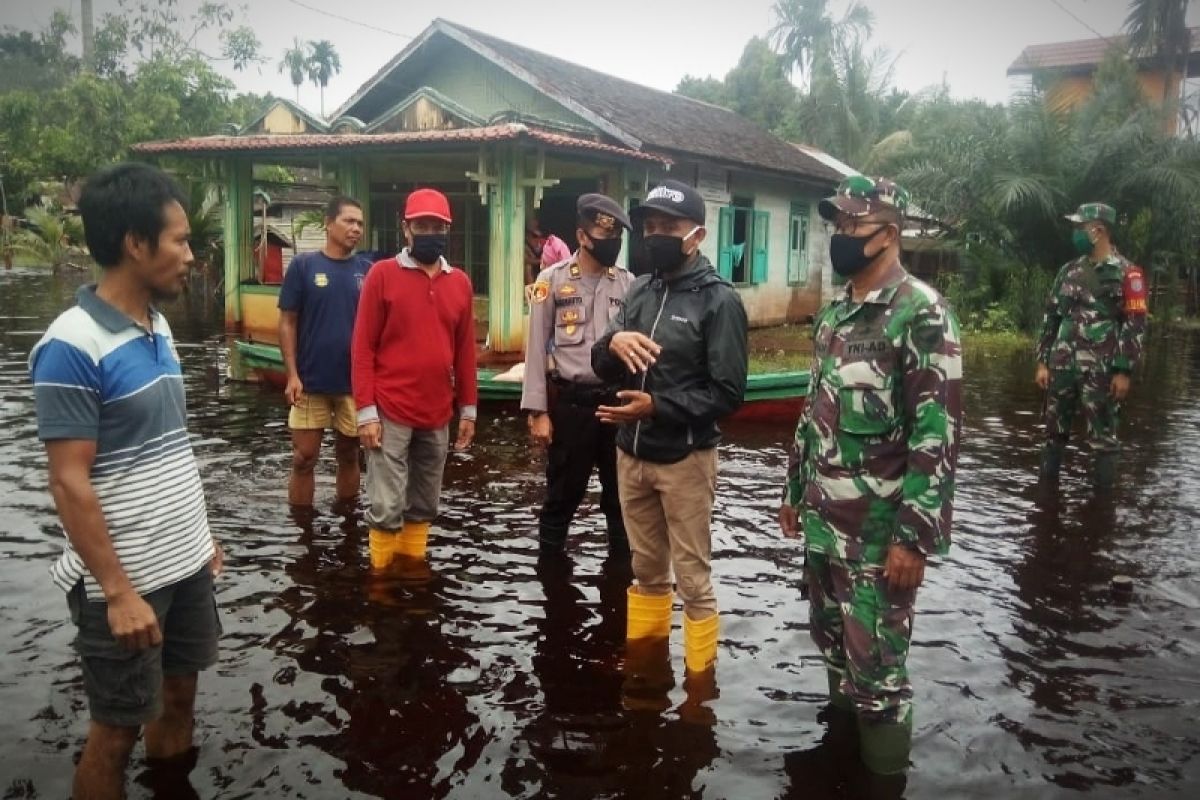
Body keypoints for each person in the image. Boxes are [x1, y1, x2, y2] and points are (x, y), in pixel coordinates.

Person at [28, 162, 222, 800]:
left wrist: (201, 539)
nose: (190, 255)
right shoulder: (72, 345)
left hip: (183, 561)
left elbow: (167, 449)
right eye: (180, 241)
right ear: (135, 244)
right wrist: (116, 593)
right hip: (127, 579)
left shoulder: (156, 325)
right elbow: (68, 484)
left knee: (179, 696)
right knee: (114, 732)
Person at [779, 176, 962, 785]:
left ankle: (881, 783)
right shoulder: (836, 314)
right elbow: (813, 413)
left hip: (880, 540)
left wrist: (914, 536)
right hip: (824, 527)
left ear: (890, 232)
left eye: (851, 225)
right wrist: (793, 492)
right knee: (833, 649)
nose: (840, 236)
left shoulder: (922, 313)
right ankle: (838, 766)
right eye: (837, 225)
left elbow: (935, 437)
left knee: (879, 677)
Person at [591, 179, 748, 680]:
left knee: (694, 580)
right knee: (645, 573)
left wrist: (655, 406)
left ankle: (700, 694)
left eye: (669, 227)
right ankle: (647, 673)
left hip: (685, 460)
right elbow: (604, 363)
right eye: (650, 226)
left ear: (696, 235)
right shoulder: (641, 288)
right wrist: (611, 347)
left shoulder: (719, 301)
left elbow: (727, 395)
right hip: (631, 455)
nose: (655, 235)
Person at [351, 187, 477, 574]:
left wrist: (468, 409)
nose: (430, 232)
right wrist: (366, 413)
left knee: (424, 501)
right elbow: (362, 348)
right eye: (422, 225)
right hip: (390, 408)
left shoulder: (460, 283)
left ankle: (412, 570)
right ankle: (381, 584)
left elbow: (465, 352)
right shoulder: (382, 275)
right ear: (406, 229)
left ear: (447, 230)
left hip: (437, 411)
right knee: (386, 504)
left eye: (437, 226)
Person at [522, 193, 634, 559]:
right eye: (605, 238)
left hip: (617, 404)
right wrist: (538, 412)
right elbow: (536, 347)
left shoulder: (628, 284)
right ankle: (550, 581)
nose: (612, 245)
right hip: (572, 404)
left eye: (617, 237)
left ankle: (620, 580)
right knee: (561, 495)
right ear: (583, 237)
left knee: (621, 499)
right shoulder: (550, 280)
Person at [1035, 202, 1147, 488]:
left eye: (1079, 228)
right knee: (1052, 434)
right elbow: (1051, 315)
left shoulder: (1129, 274)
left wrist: (1123, 371)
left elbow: (1135, 324)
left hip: (1101, 369)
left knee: (1103, 440)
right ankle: (1046, 503)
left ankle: (1102, 516)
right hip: (1062, 365)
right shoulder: (1069, 270)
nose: (1076, 233)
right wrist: (1042, 361)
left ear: (1097, 231)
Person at [278, 195, 371, 508]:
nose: (355, 228)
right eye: (348, 221)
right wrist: (291, 375)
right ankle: (302, 529)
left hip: (353, 384)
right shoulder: (304, 266)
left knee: (349, 456)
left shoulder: (366, 271)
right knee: (304, 458)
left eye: (360, 223)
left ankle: (348, 522)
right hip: (310, 382)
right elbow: (288, 322)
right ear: (328, 224)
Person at [525, 218, 572, 285]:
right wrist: (542, 261)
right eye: (533, 235)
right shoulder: (525, 245)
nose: (536, 238)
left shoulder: (550, 243)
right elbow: (525, 260)